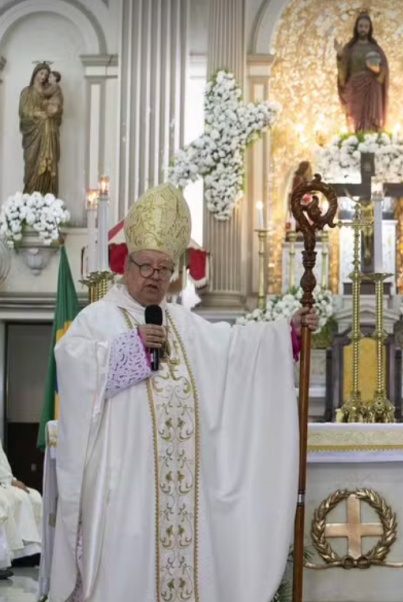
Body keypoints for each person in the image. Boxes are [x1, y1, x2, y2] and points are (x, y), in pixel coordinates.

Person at [50, 184, 318, 602]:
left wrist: (286, 335)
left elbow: (233, 353)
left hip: (185, 499)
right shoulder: (97, 319)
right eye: (147, 266)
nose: (155, 276)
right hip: (126, 494)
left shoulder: (182, 322)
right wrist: (129, 348)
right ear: (127, 264)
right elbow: (71, 364)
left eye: (165, 268)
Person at [335, 12, 389, 132]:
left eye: (366, 26)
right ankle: (356, 140)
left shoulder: (376, 48)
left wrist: (377, 70)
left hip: (372, 90)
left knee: (371, 121)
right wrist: (340, 56)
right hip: (355, 90)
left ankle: (373, 140)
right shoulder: (350, 48)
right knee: (356, 120)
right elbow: (343, 72)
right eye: (361, 26)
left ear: (370, 29)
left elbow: (383, 70)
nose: (363, 29)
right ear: (356, 28)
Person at [0, 438, 43, 581]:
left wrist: (11, 480)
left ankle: (29, 554)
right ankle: (4, 559)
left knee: (35, 497)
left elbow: (2, 466)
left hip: (3, 481)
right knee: (6, 503)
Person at [19, 62, 62, 195]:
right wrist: (38, 114)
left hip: (48, 132)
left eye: (46, 75)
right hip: (33, 135)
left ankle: (47, 198)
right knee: (32, 164)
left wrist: (53, 111)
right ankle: (30, 195)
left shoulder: (51, 92)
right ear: (35, 73)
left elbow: (58, 111)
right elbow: (23, 112)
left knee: (48, 168)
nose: (43, 77)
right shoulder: (27, 92)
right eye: (41, 73)